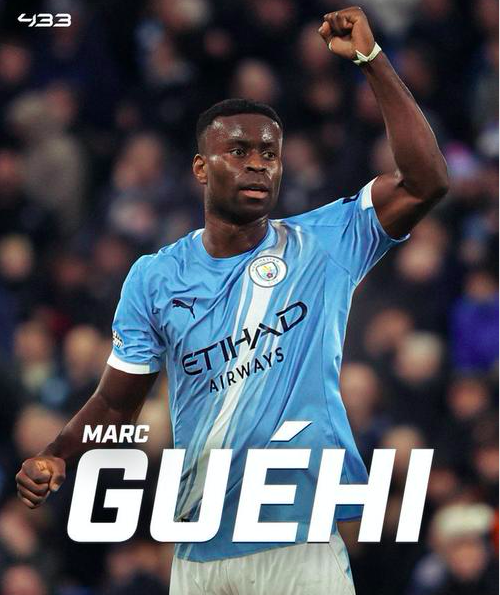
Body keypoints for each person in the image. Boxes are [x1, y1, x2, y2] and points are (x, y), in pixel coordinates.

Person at [15, 8, 449, 594]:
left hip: (300, 541)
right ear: (201, 167)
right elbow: (116, 405)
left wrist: (372, 62)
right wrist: (57, 455)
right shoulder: (155, 277)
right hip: (199, 547)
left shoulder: (323, 243)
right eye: (238, 150)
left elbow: (426, 182)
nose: (257, 164)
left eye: (269, 154)